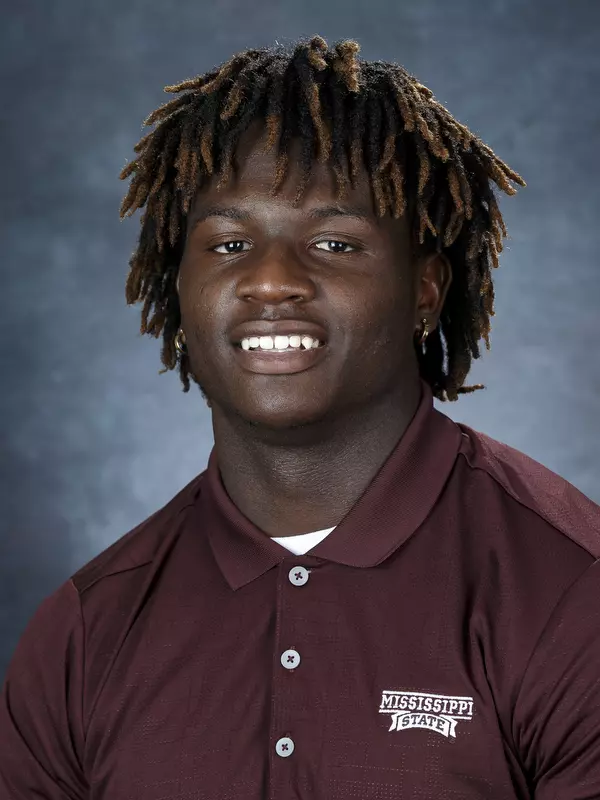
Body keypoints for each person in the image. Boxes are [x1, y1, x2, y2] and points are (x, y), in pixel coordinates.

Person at [1, 34, 599, 800]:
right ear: (177, 288)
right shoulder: (87, 631)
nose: (271, 281)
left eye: (333, 241)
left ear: (425, 288)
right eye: (230, 242)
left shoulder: (571, 591)